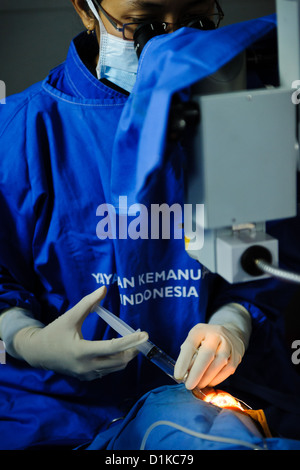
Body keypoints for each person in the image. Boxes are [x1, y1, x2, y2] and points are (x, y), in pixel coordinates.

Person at [0, 0, 291, 449]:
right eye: (145, 25)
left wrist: (234, 321)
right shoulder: (20, 134)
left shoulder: (243, 111)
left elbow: (270, 260)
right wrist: (28, 339)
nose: (174, 42)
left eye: (195, 21)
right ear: (86, 8)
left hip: (212, 399)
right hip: (63, 414)